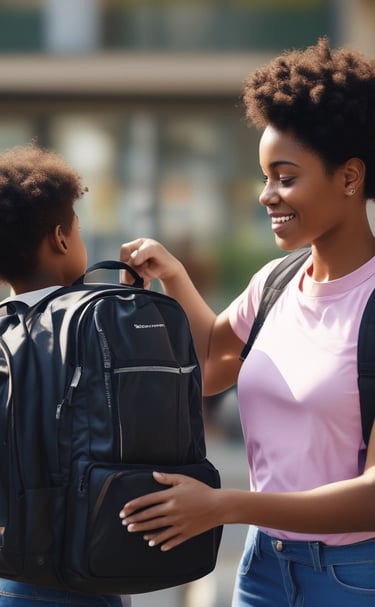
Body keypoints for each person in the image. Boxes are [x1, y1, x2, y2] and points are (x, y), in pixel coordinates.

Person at [119, 38, 375, 606]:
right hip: (263, 570)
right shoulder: (277, 280)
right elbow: (210, 367)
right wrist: (175, 278)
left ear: (350, 177)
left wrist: (225, 505)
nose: (266, 195)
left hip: (355, 577)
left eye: (284, 177)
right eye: (264, 177)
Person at [0, 144, 130, 607]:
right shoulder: (97, 324)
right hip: (81, 570)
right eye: (77, 227)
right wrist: (131, 314)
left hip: (10, 564)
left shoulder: (4, 328)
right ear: (60, 238)